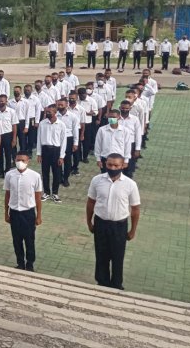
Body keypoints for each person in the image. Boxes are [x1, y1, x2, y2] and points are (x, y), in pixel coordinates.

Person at [86, 153, 141, 290]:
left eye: (116, 165)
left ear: (123, 165)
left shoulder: (130, 185)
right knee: (101, 255)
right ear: (105, 164)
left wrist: (133, 230)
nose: (113, 167)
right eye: (110, 164)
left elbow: (135, 209)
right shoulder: (97, 180)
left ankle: (116, 284)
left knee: (117, 256)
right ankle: (102, 283)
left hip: (119, 226)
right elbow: (90, 202)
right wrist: (89, 222)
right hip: (101, 223)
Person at [4, 152, 43, 271]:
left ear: (28, 161)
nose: (20, 162)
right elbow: (7, 195)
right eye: (18, 160)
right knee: (16, 240)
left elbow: (37, 197)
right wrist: (6, 213)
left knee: (29, 240)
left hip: (28, 213)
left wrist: (39, 216)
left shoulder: (35, 176)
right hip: (15, 212)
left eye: (23, 160)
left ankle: (30, 264)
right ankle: (20, 263)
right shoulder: (9, 175)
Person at [36, 104, 66, 203]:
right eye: (46, 112)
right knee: (45, 173)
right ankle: (46, 193)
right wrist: (39, 154)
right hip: (45, 150)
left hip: (56, 151)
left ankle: (55, 193)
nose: (47, 113)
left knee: (56, 173)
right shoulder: (42, 123)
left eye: (49, 112)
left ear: (55, 112)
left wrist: (61, 156)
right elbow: (39, 139)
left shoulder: (61, 124)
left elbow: (63, 141)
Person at [55, 98, 79, 187]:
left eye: (62, 105)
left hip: (68, 139)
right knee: (58, 159)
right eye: (58, 105)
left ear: (66, 105)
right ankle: (59, 177)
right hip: (57, 139)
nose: (60, 106)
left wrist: (75, 143)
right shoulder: (55, 115)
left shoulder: (73, 117)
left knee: (67, 160)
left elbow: (75, 130)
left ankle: (66, 178)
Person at [0, 94, 18, 176]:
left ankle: (7, 171)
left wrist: (14, 138)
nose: (1, 102)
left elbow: (14, 125)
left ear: (6, 102)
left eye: (2, 101)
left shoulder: (11, 112)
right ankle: (1, 172)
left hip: (8, 135)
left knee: (8, 154)